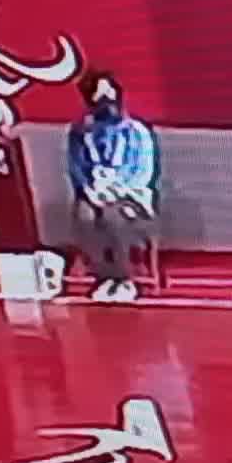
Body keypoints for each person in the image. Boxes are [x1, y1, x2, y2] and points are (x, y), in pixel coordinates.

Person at [66, 71, 158, 304]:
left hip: (131, 194)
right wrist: (90, 191)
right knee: (84, 216)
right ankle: (103, 276)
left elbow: (143, 170)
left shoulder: (136, 131)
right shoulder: (80, 132)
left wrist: (118, 189)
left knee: (112, 217)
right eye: (99, 92)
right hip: (95, 193)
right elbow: (76, 167)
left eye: (110, 91)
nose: (106, 97)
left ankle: (124, 278)